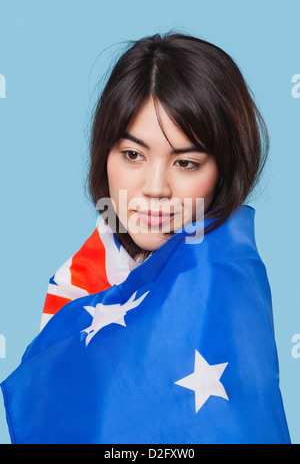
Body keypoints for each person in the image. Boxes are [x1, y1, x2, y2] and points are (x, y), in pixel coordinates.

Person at [1, 32, 291, 444]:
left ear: (224, 170)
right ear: (105, 154)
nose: (155, 187)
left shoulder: (227, 280)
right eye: (133, 154)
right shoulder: (75, 288)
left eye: (186, 162)